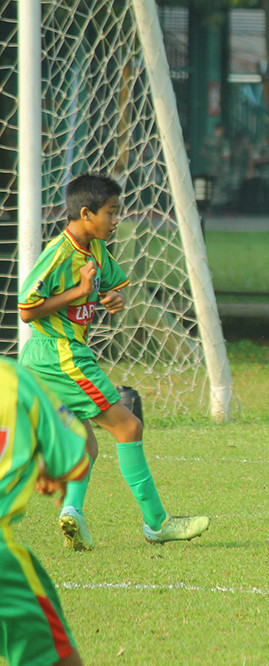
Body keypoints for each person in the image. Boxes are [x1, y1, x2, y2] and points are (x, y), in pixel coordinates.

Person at [18, 174, 209, 549]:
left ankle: (72, 514)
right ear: (86, 213)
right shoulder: (59, 253)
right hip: (61, 358)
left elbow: (112, 288)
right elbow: (27, 308)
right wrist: (80, 291)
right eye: (111, 212)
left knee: (86, 444)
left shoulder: (97, 249)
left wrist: (110, 300)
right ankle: (158, 523)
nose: (116, 219)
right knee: (129, 428)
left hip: (55, 359)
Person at [0, 359, 90, 666]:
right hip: (2, 566)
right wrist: (49, 467)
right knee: (60, 659)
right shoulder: (12, 381)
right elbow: (77, 458)